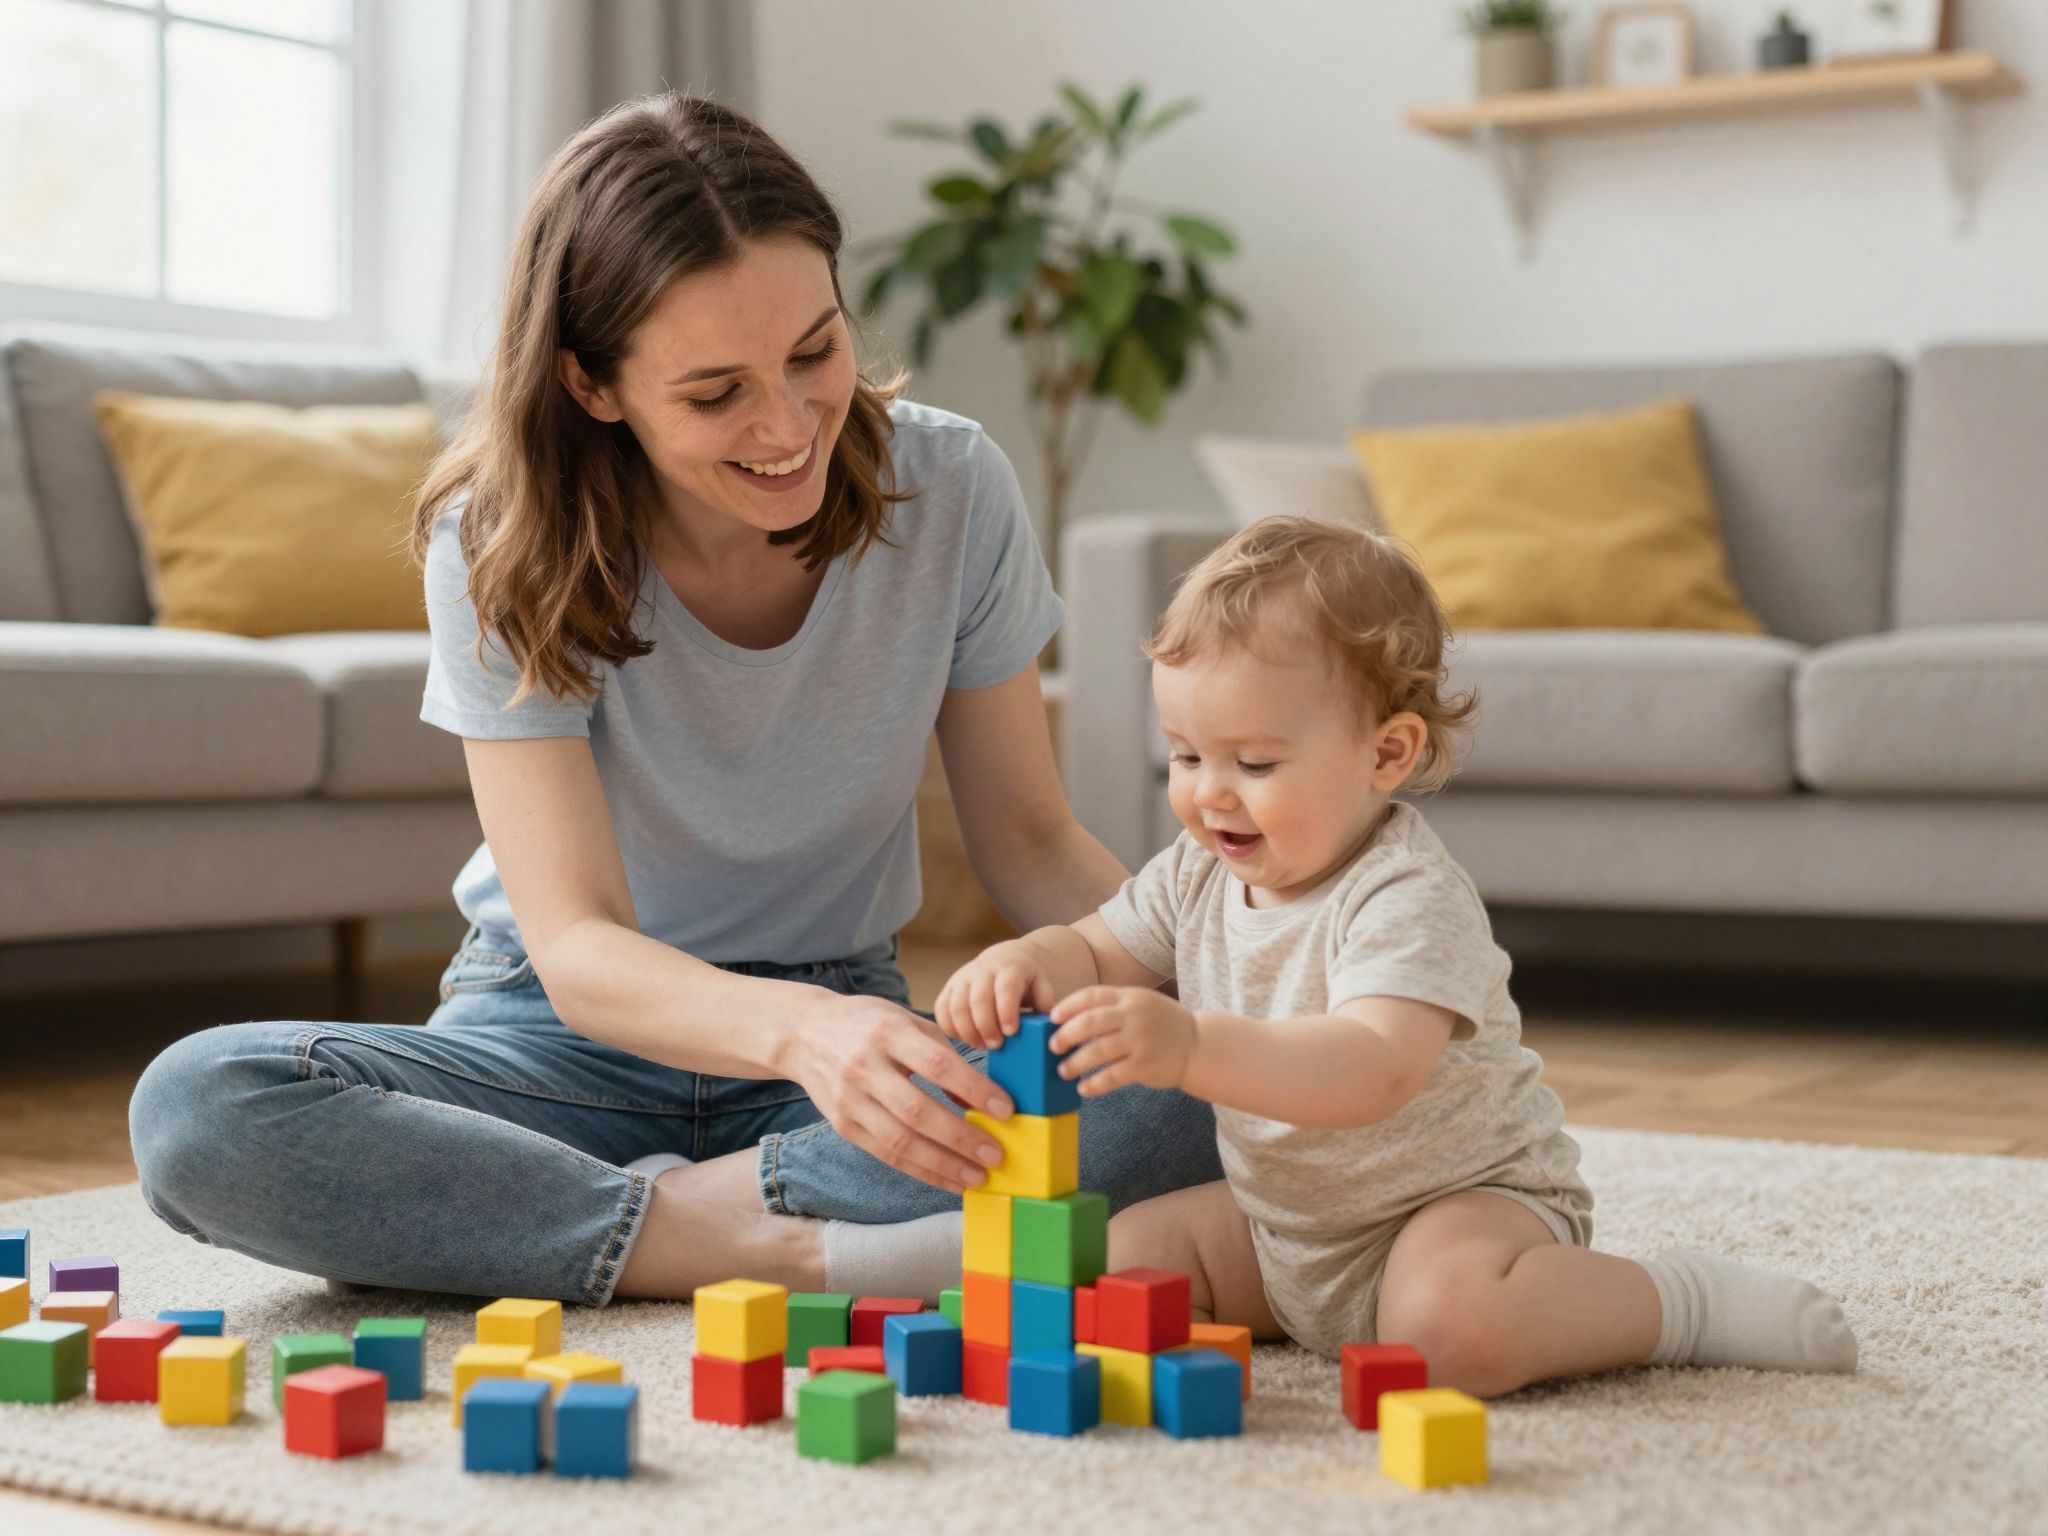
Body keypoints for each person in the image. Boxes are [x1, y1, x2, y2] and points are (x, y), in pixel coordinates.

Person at [126, 91, 1219, 1306]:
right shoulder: (496, 537)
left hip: (836, 1025)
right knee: (200, 1109)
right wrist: (798, 1037)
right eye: (714, 394)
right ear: (593, 385)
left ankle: (621, 1223)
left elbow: (1025, 838)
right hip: (553, 1042)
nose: (787, 423)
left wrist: (1238, 987)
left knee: (1196, 1086)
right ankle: (772, 1245)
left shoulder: (951, 484)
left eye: (814, 350)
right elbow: (583, 946)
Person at [936, 515, 1858, 1392]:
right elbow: (1098, 948)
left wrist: (1187, 1048)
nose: (1210, 795)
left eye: (1253, 765)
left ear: (1387, 754)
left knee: (1452, 1332)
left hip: (1456, 1205)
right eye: (1184, 756)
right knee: (1114, 1267)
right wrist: (1034, 961)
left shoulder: (1404, 894)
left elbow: (1371, 1070)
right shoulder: (1195, 873)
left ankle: (1676, 1302)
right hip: (1286, 1225)